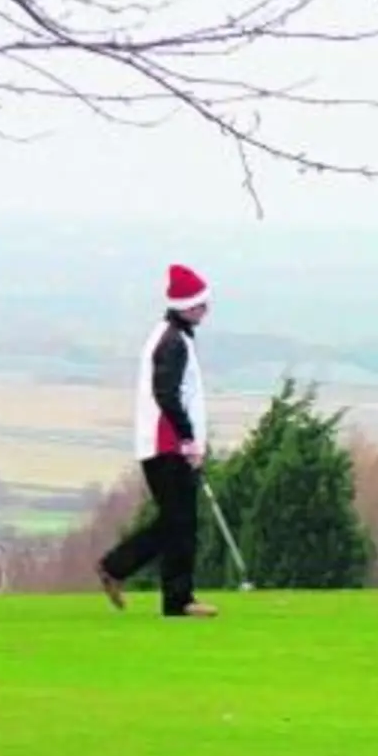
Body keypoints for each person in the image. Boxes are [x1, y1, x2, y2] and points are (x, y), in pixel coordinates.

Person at [96, 264, 221, 618]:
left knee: (177, 522)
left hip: (166, 445)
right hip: (167, 445)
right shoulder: (172, 342)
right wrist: (188, 440)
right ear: (185, 306)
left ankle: (173, 597)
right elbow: (167, 395)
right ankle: (128, 573)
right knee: (177, 522)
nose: (205, 311)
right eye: (200, 305)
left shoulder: (170, 336)